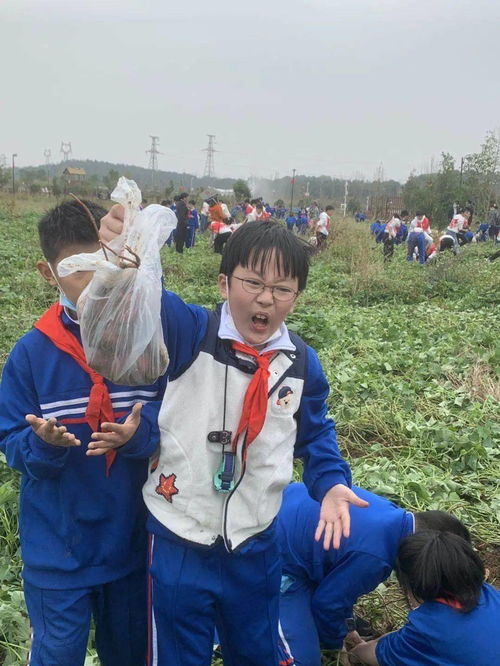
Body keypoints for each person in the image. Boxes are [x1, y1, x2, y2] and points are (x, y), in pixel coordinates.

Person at [96, 213, 367, 666]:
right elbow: (143, 297)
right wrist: (124, 256)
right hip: (179, 537)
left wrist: (333, 482)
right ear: (224, 284)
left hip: (255, 544)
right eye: (253, 283)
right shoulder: (190, 333)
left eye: (282, 289)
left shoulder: (300, 363)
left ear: (296, 296)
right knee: (180, 656)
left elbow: (315, 431)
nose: (266, 299)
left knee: (256, 651)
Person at [0, 200, 167, 666]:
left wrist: (138, 435)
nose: (94, 285)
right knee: (58, 653)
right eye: (78, 271)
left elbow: (171, 422)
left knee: (130, 654)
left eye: (104, 266)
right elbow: (11, 439)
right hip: (59, 553)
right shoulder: (31, 355)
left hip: (131, 548)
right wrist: (41, 444)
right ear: (47, 272)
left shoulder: (145, 344)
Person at [277, 483, 471, 666]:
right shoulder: (375, 558)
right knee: (302, 661)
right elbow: (327, 603)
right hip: (273, 554)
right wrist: (336, 643)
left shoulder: (396, 517)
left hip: (289, 504)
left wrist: (347, 626)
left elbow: (342, 572)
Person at [350, 530, 500, 666]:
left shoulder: (428, 627)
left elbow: (370, 655)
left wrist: (355, 652)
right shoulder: (488, 593)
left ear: (413, 585)